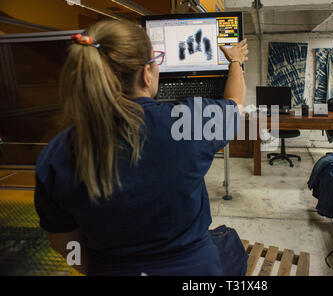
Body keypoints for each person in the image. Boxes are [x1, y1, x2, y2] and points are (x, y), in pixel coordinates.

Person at [34, 19, 248, 275]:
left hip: (111, 269)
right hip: (193, 269)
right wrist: (234, 60)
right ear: (147, 74)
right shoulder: (190, 123)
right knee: (230, 242)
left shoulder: (56, 155)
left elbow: (64, 243)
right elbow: (236, 103)